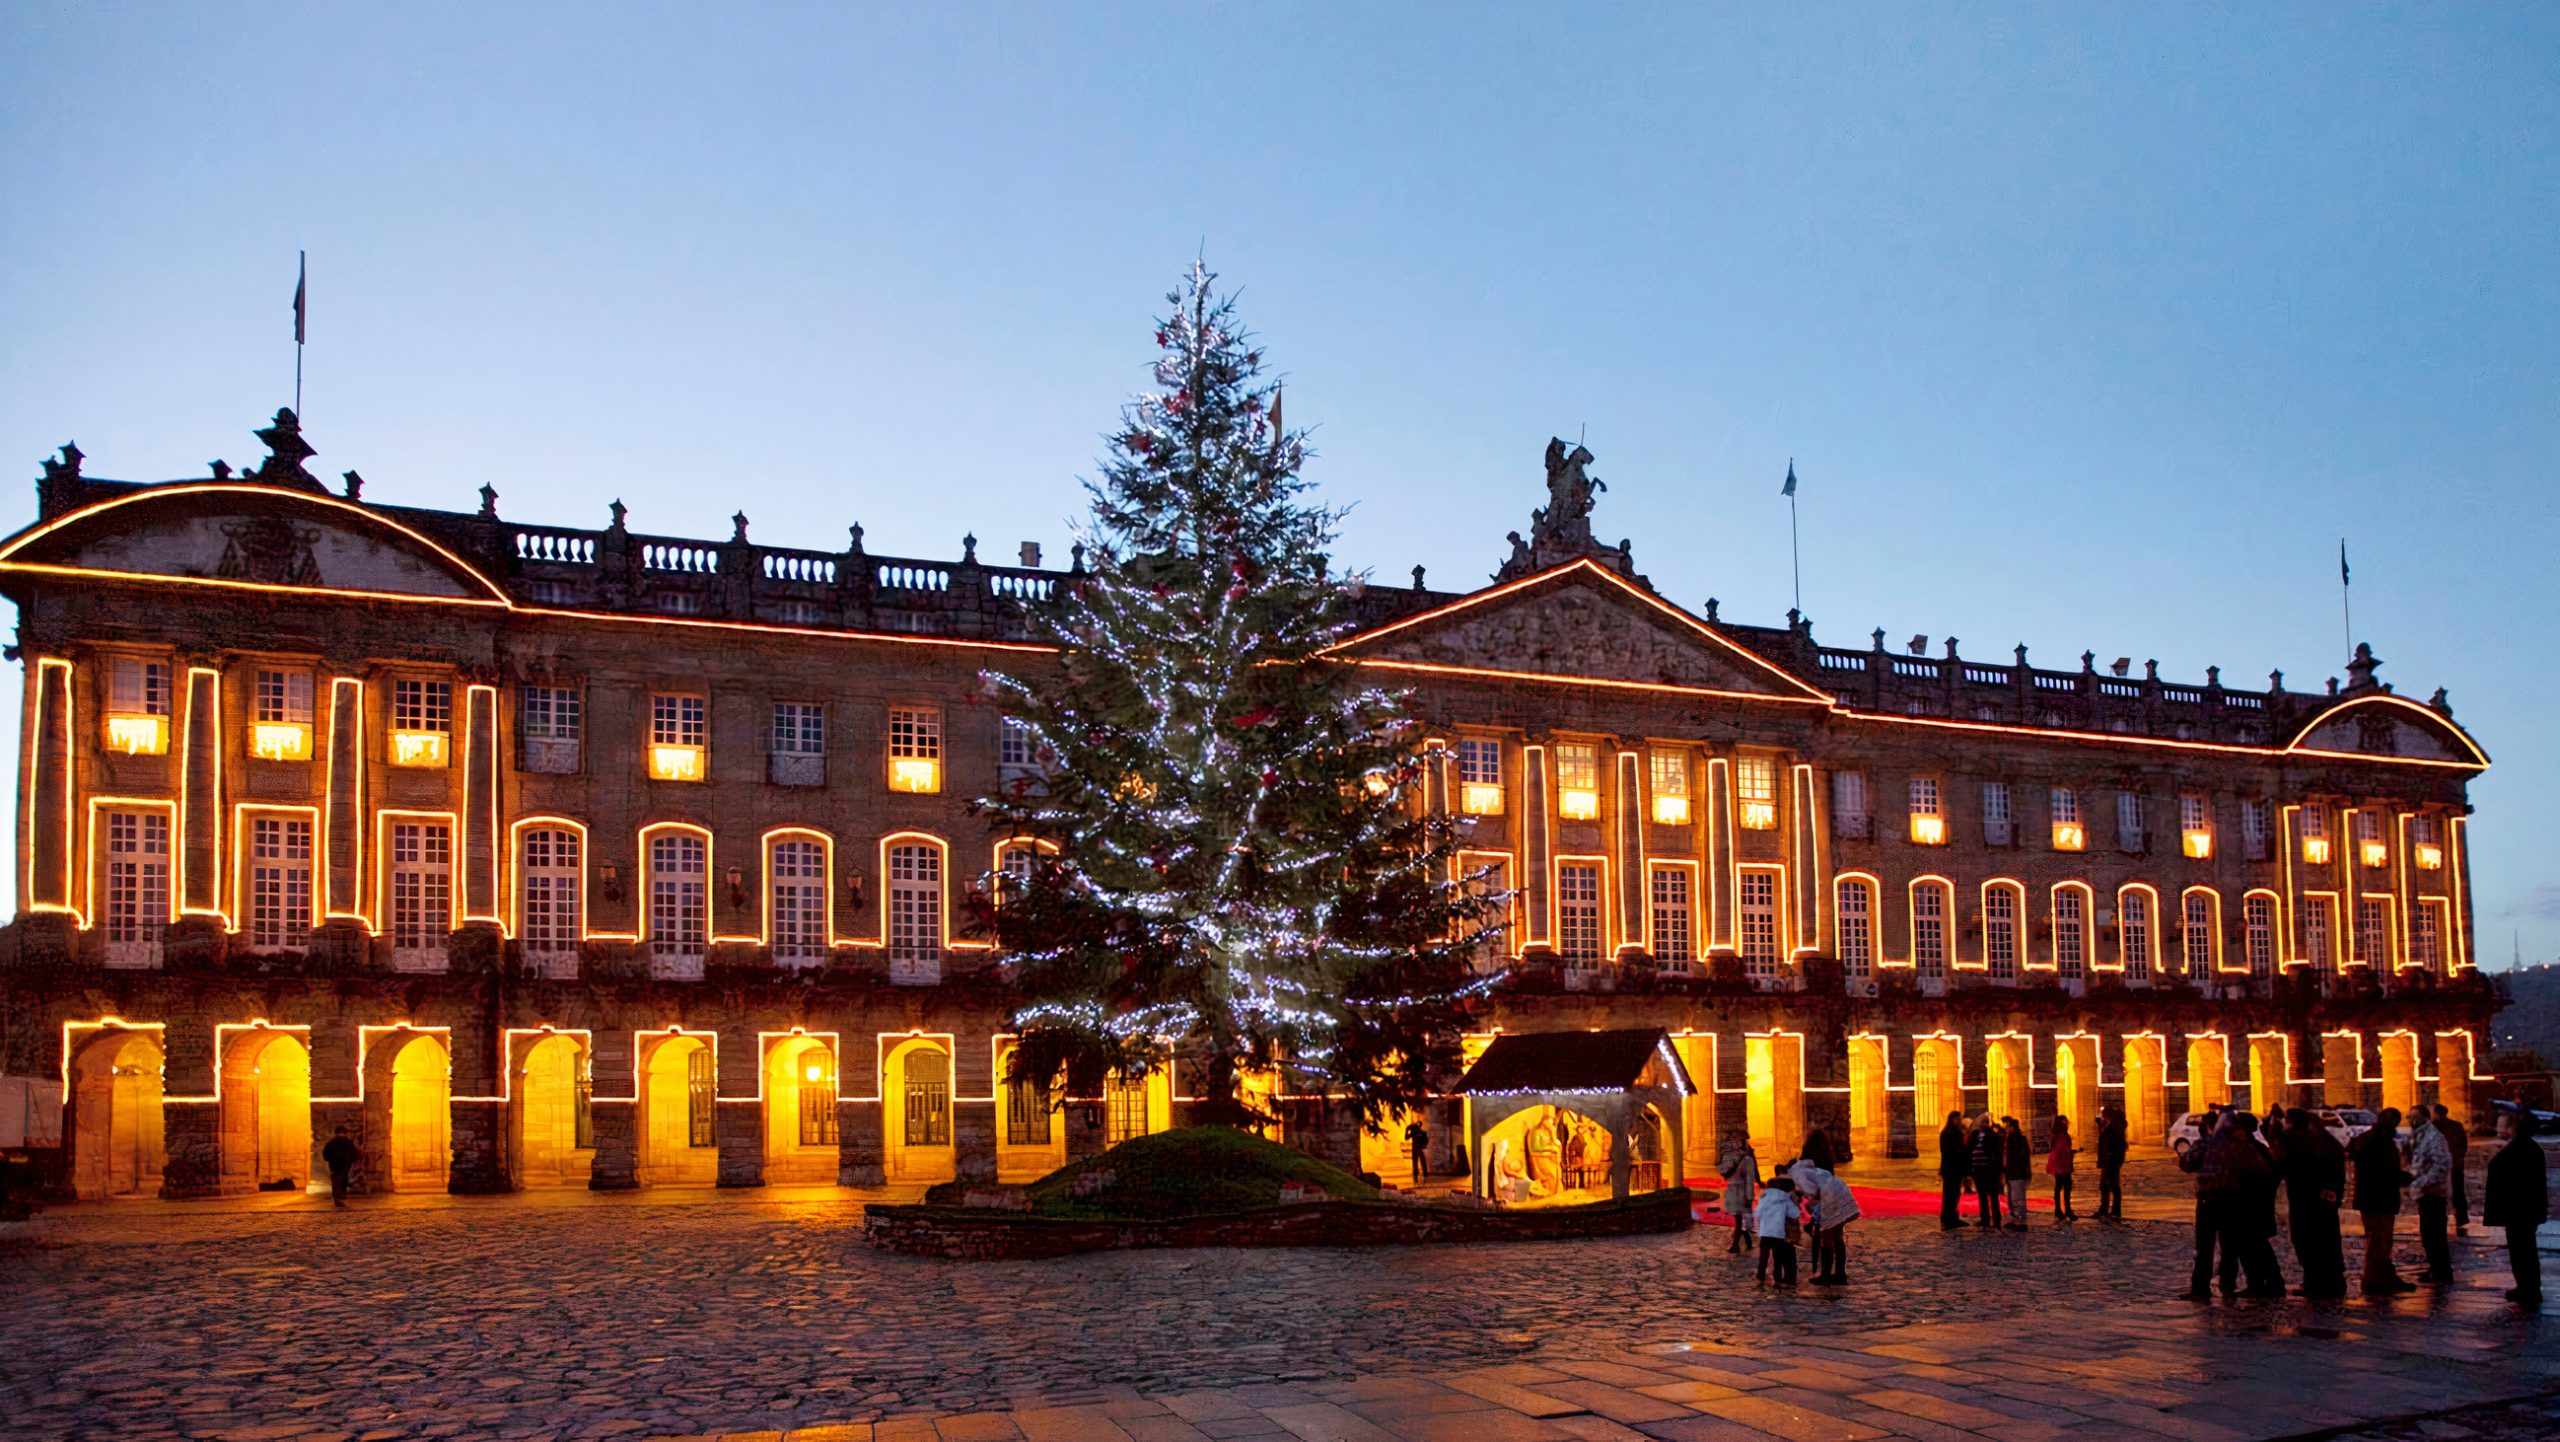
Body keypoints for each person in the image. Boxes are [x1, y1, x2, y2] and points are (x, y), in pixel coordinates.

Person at [2276, 1107, 2348, 1299]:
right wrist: (2334, 1193)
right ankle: (2334, 1282)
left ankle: (2315, 1284)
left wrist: (2273, 1124)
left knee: (2308, 1242)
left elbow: (2282, 1158)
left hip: (2305, 1200)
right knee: (2328, 1241)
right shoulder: (2328, 1142)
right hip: (2325, 1200)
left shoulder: (2299, 1142)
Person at [2481, 1109, 2547, 1309]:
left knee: (2522, 1252)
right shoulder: (2529, 1148)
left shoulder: (2521, 1149)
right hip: (2524, 1210)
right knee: (2524, 1251)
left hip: (2519, 1210)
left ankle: (2529, 1290)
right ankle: (2527, 1287)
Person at [2222, 1112, 2287, 1298]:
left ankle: (2268, 1283)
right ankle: (2262, 1282)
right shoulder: (2257, 1147)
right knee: (2254, 1246)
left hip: (2248, 1206)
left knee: (2254, 1246)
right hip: (2254, 1205)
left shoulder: (2248, 1149)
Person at [2352, 1107, 2415, 1296]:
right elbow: (2385, 1172)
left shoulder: (2371, 1139)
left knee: (2380, 1241)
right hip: (2378, 1198)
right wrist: (2408, 1178)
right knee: (2378, 1241)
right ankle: (2374, 1279)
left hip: (2374, 1197)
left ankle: (2383, 1275)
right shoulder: (2378, 1142)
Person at [1790, 1155, 1861, 1285]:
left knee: (1826, 1238)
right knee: (1837, 1236)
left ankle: (1826, 1275)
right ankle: (1840, 1274)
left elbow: (1815, 1192)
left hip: (1829, 1199)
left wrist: (1808, 1200)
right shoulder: (1814, 1170)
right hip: (1840, 1192)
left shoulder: (1797, 1175)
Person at [2407, 1106, 2454, 1284]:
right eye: (2409, 1117)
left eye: (2415, 1117)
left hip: (2434, 1193)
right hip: (2425, 1193)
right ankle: (2435, 1269)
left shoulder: (2434, 1137)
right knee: (2428, 1234)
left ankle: (2442, 1272)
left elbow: (2441, 1165)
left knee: (2436, 1235)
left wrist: (2420, 1182)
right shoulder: (2419, 1136)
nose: (2411, 1121)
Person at [1753, 1173, 1800, 1286]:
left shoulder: (1765, 1197)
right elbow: (1794, 1214)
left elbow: (1758, 1212)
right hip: (1779, 1232)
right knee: (1777, 1256)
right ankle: (1777, 1278)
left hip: (1765, 1231)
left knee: (1763, 1254)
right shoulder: (1786, 1197)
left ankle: (1760, 1277)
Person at [1718, 1130, 1760, 1255]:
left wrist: (1749, 1196)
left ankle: (1736, 1245)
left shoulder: (1742, 1159)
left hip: (1738, 1191)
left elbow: (1749, 1179)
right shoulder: (1736, 1159)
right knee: (1740, 1219)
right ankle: (1747, 1242)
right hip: (1735, 1191)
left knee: (1739, 1220)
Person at [2435, 1105, 2470, 1234]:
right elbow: (2463, 1145)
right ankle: (2461, 1220)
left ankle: (2440, 1220)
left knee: (2439, 1195)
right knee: (2458, 1193)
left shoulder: (2433, 1127)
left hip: (2441, 1166)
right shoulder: (2456, 1126)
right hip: (2455, 1164)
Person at [1968, 1113, 2005, 1228]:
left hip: (1989, 1169)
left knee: (1993, 1195)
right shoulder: (1975, 1134)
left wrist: (1998, 1169)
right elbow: (1970, 1148)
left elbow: (1996, 1152)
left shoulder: (1991, 1135)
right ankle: (1984, 1218)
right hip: (1978, 1169)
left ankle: (1996, 1217)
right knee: (1982, 1195)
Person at [1936, 1111, 1970, 1230]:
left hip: (1955, 1168)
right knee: (1950, 1194)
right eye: (1957, 1119)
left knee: (1955, 1193)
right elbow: (1949, 1151)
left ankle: (1952, 1216)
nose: (1959, 1121)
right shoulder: (1947, 1133)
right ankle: (1948, 1217)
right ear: (1952, 1119)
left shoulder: (1954, 1132)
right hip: (1951, 1168)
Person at [2094, 1106, 2129, 1221]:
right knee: (2106, 1185)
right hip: (2109, 1159)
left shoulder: (2114, 1127)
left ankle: (2113, 1210)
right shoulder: (2109, 1125)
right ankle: (2106, 1209)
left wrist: (2109, 1154)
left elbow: (2111, 1142)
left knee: (2111, 1184)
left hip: (2112, 1159)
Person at [2002, 1117, 2032, 1231]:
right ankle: (2015, 1219)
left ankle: (2020, 1222)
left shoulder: (2016, 1139)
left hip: (2016, 1172)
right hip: (2013, 1172)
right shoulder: (2012, 1139)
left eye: (2008, 1126)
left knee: (2017, 1198)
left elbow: (2020, 1156)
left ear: (2013, 1127)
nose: (2007, 1128)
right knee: (2013, 1197)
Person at [2046, 1115, 2078, 1222]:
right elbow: (2061, 1150)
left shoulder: (2055, 1135)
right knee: (2066, 1186)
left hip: (2058, 1163)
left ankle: (2059, 1210)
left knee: (2059, 1186)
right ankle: (2066, 1210)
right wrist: (2070, 1153)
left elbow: (2054, 1148)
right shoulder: (2062, 1135)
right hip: (2062, 1164)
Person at [322, 1126, 360, 1208]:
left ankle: (337, 1198)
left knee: (335, 1181)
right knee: (343, 1180)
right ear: (345, 1133)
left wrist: (331, 1159)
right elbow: (355, 1155)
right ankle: (341, 1197)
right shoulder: (348, 1143)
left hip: (334, 1165)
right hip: (345, 1166)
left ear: (335, 1133)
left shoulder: (331, 1143)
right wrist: (350, 1161)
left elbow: (325, 1155)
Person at [1404, 1118, 1430, 1184]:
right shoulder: (1414, 1133)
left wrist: (1423, 1146)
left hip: (1420, 1148)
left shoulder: (1422, 1133)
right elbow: (1406, 1138)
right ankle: (1416, 1173)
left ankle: (1424, 1173)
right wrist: (1407, 1130)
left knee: (1422, 1161)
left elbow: (1426, 1140)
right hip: (1415, 1148)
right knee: (1415, 1162)